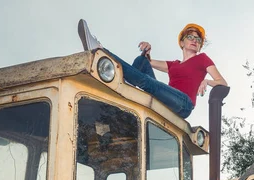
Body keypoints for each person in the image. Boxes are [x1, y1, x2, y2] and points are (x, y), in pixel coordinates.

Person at [78, 19, 227, 119]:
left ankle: (101, 51)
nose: (195, 40)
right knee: (141, 60)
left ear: (200, 45)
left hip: (183, 104)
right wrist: (147, 51)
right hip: (164, 101)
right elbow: (148, 63)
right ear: (182, 43)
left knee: (148, 82)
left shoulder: (202, 59)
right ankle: (122, 88)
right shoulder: (174, 64)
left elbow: (223, 82)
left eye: (198, 39)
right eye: (190, 37)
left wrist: (207, 81)